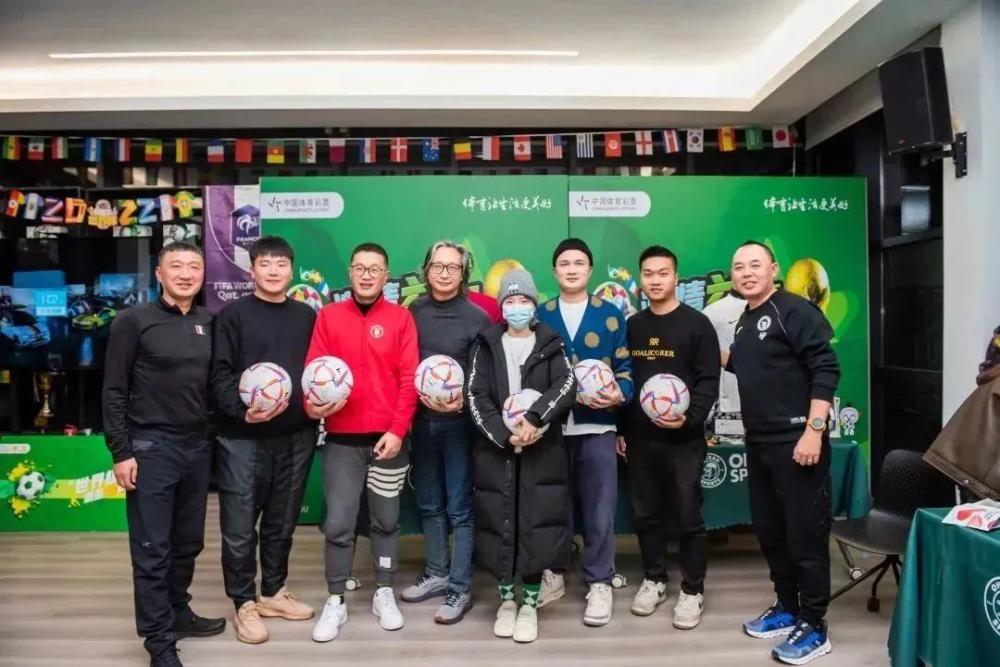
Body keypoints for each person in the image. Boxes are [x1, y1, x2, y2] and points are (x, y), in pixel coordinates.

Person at [102, 241, 224, 667]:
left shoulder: (209, 322)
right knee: (152, 548)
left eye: (194, 267)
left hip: (197, 448)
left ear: (203, 275)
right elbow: (114, 390)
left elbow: (216, 386)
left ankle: (177, 612)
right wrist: (121, 451)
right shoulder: (133, 321)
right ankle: (159, 643)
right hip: (150, 447)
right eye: (177, 266)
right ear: (159, 273)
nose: (186, 274)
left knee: (188, 542)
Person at [724, 241, 839, 665]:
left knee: (805, 537)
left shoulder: (794, 310)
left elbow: (826, 368)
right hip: (759, 442)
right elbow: (747, 364)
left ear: (773, 269)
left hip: (798, 443)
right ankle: (788, 606)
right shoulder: (745, 319)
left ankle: (815, 624)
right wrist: (693, 350)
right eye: (739, 267)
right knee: (771, 532)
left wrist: (814, 432)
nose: (747, 272)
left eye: (755, 264)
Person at [307, 242, 419, 643]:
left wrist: (398, 430)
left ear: (386, 275)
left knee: (386, 520)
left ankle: (383, 591)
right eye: (360, 268)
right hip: (342, 440)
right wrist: (313, 403)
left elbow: (409, 379)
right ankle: (336, 598)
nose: (367, 275)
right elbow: (314, 372)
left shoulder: (401, 318)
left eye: (375, 269)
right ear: (350, 273)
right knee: (339, 522)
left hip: (389, 441)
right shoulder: (328, 316)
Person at [210, 236, 317, 644]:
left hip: (296, 435)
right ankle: (243, 602)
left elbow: (317, 371)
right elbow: (219, 376)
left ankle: (272, 592)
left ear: (291, 269)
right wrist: (243, 413)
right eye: (265, 264)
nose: (273, 271)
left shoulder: (306, 315)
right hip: (242, 437)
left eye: (281, 263)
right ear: (252, 270)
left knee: (282, 522)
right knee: (239, 527)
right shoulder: (231, 316)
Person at [466, 269, 576, 643]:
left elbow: (566, 385)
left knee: (536, 525)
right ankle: (507, 602)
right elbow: (475, 395)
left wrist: (534, 419)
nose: (517, 307)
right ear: (501, 306)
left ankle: (530, 604)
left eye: (524, 300)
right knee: (500, 524)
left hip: (542, 451)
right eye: (510, 301)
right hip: (496, 453)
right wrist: (503, 434)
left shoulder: (551, 342)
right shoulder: (485, 343)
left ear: (534, 305)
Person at [617, 245, 720, 630]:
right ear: (640, 279)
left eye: (663, 273)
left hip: (684, 440)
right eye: (649, 273)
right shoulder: (632, 325)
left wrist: (690, 419)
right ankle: (654, 579)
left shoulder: (697, 324)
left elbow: (709, 379)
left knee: (688, 515)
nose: (656, 280)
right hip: (640, 440)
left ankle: (693, 590)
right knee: (646, 514)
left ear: (676, 277)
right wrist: (622, 429)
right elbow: (625, 379)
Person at [535, 238, 633, 627]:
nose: (572, 269)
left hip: (598, 426)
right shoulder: (540, 315)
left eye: (579, 263)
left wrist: (619, 393)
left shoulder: (610, 315)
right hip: (551, 429)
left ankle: (600, 581)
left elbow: (625, 368)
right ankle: (553, 572)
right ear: (554, 271)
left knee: (599, 509)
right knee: (552, 506)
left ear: (590, 270)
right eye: (564, 263)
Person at [401, 241, 490, 623]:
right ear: (426, 270)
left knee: (459, 508)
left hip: (459, 426)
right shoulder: (412, 312)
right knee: (428, 502)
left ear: (463, 273)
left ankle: (459, 587)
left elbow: (486, 375)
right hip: (421, 422)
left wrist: (463, 402)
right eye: (438, 265)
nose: (444, 273)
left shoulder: (477, 318)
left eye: (453, 267)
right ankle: (437, 572)